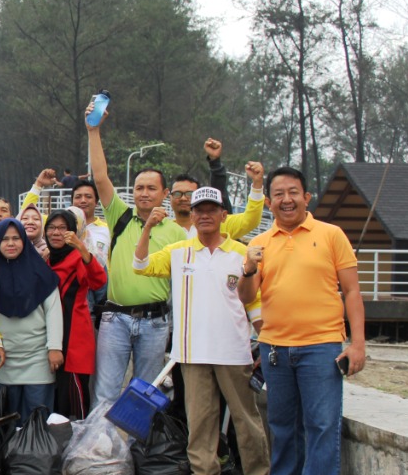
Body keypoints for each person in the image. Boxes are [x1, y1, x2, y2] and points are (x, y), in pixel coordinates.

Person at [238, 167, 365, 475]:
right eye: (278, 193)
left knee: (322, 424)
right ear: (269, 201)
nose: (286, 199)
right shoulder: (261, 243)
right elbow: (247, 298)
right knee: (281, 424)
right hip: (276, 347)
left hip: (322, 346)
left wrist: (357, 344)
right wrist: (249, 268)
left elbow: (352, 292)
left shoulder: (331, 236)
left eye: (293, 192)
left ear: (307, 197)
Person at [135, 187, 274, 475]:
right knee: (201, 422)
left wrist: (264, 338)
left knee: (246, 421)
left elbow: (252, 301)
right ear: (192, 215)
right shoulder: (178, 251)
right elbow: (140, 266)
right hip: (192, 352)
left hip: (234, 352)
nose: (205, 215)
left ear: (224, 215)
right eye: (199, 210)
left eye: (212, 209)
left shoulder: (242, 252)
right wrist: (147, 229)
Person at [86, 100, 185, 407]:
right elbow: (100, 177)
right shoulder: (120, 216)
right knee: (106, 391)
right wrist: (93, 130)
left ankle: (139, 452)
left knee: (145, 393)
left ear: (164, 194)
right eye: (139, 187)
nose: (143, 193)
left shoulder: (177, 233)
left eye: (151, 188)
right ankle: (98, 452)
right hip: (115, 318)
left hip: (156, 323)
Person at [0, 218, 63, 417]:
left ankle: (34, 450)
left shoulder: (41, 273)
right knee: (8, 419)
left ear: (24, 240)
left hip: (38, 356)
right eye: (4, 239)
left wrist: (54, 347)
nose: (11, 243)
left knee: (37, 419)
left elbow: (53, 311)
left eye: (16, 238)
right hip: (5, 356)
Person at [45, 208, 107, 418]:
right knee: (56, 399)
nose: (56, 232)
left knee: (75, 400)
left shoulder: (78, 258)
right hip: (51, 338)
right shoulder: (46, 260)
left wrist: (81, 248)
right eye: (51, 228)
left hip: (74, 340)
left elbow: (99, 281)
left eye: (63, 228)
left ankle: (80, 444)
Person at [167, 140, 265, 240]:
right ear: (169, 197)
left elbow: (251, 219)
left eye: (189, 194)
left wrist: (257, 184)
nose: (183, 198)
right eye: (177, 193)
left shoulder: (220, 224)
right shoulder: (161, 230)